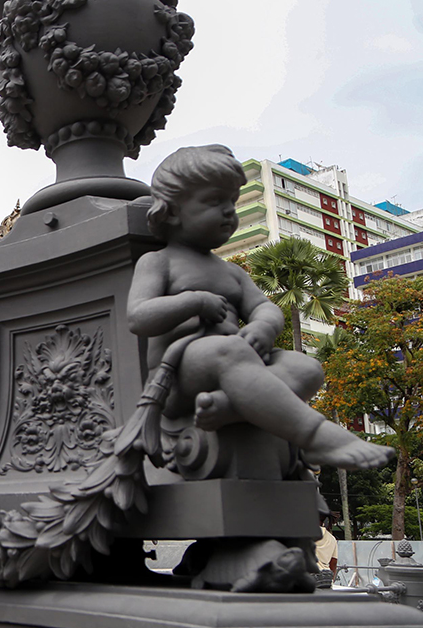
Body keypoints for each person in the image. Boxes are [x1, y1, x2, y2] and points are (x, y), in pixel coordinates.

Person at [127, 144, 393, 471]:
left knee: (305, 367)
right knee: (227, 351)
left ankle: (231, 406)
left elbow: (265, 308)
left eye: (232, 202)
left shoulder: (232, 272)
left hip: (235, 362)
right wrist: (193, 301)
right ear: (171, 211)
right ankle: (315, 436)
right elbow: (139, 316)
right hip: (180, 378)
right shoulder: (158, 262)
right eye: (214, 201)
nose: (228, 211)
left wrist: (262, 327)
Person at [314, 511, 338, 585]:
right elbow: (333, 563)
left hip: (310, 578)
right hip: (326, 578)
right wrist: (331, 581)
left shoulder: (306, 534)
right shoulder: (332, 538)